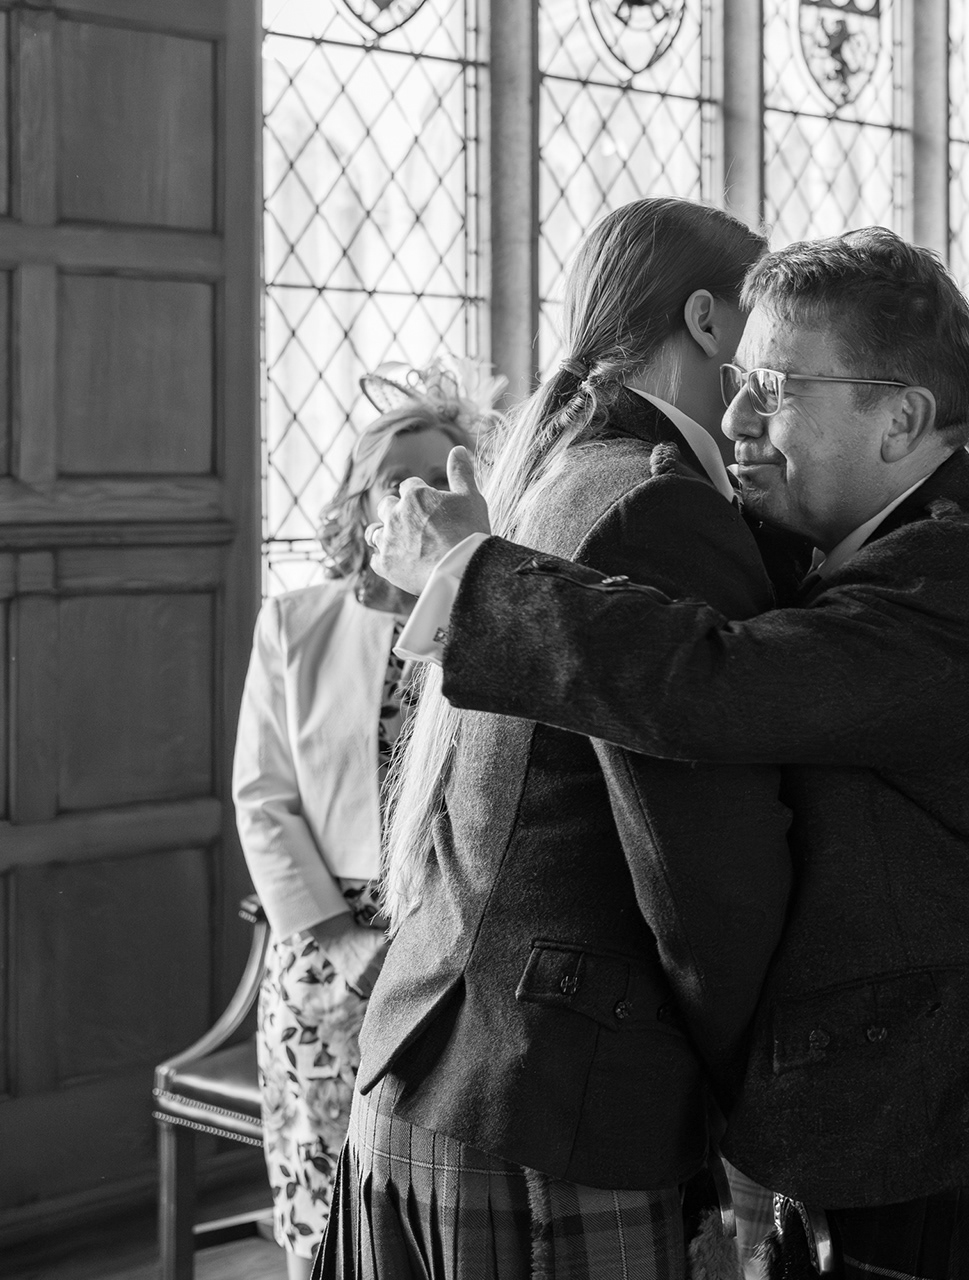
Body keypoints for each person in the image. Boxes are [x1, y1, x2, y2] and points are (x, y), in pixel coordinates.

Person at [367, 228, 969, 1277]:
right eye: (734, 381)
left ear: (901, 417)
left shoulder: (964, 572)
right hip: (930, 1116)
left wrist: (472, 573)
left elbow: (716, 683)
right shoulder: (883, 540)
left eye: (773, 386)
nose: (733, 418)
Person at [319, 199, 793, 1278]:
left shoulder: (563, 472)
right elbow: (700, 874)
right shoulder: (657, 506)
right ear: (711, 321)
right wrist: (752, 1105)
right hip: (551, 1098)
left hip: (443, 1068)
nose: (779, 375)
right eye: (771, 333)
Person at [233, 361, 490, 1280]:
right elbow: (261, 798)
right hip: (323, 951)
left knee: (428, 1209)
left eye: (443, 478)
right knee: (318, 1197)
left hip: (454, 943)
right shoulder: (294, 624)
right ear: (364, 497)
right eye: (398, 480)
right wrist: (339, 938)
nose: (418, 497)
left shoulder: (495, 624)